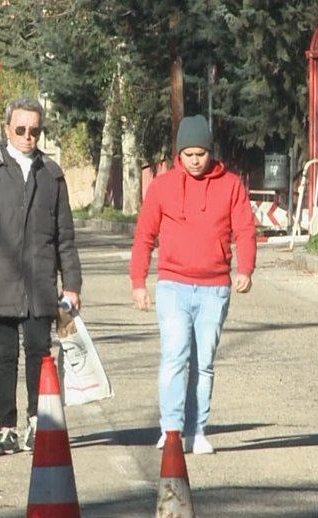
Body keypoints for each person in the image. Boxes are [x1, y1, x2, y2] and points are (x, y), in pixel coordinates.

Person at [0, 96, 82, 455]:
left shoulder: (52, 174)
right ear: (6, 128)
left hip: (40, 282)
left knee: (39, 353)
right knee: (3, 356)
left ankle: (37, 423)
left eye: (35, 131)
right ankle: (7, 427)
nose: (28, 137)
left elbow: (65, 237)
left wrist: (71, 284)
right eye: (21, 129)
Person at [129, 114, 256, 454]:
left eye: (201, 153)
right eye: (189, 154)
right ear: (179, 154)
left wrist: (246, 267)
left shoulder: (231, 185)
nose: (196, 160)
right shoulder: (163, 186)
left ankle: (197, 430)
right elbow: (145, 235)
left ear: (210, 152)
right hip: (173, 285)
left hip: (215, 288)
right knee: (174, 355)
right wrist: (138, 280)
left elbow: (244, 229)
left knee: (204, 362)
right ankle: (170, 428)